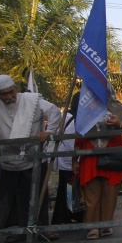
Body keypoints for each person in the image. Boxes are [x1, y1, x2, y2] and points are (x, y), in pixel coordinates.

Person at [0, 75, 60, 243]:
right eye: (3, 94)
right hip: (9, 159)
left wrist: (49, 131)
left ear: (16, 88)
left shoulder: (31, 100)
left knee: (37, 195)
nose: (8, 97)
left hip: (33, 157)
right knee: (14, 197)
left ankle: (42, 229)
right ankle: (19, 231)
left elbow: (53, 111)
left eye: (11, 92)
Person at [72, 94, 122, 239]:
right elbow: (79, 136)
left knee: (110, 194)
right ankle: (92, 227)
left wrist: (119, 124)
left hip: (113, 157)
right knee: (91, 196)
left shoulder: (118, 108)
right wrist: (75, 160)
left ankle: (106, 225)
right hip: (90, 157)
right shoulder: (85, 109)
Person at [50, 93, 84, 226]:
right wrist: (77, 158)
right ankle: (68, 216)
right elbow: (72, 141)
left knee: (67, 189)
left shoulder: (66, 116)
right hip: (72, 160)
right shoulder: (72, 118)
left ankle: (69, 216)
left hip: (67, 159)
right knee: (70, 190)